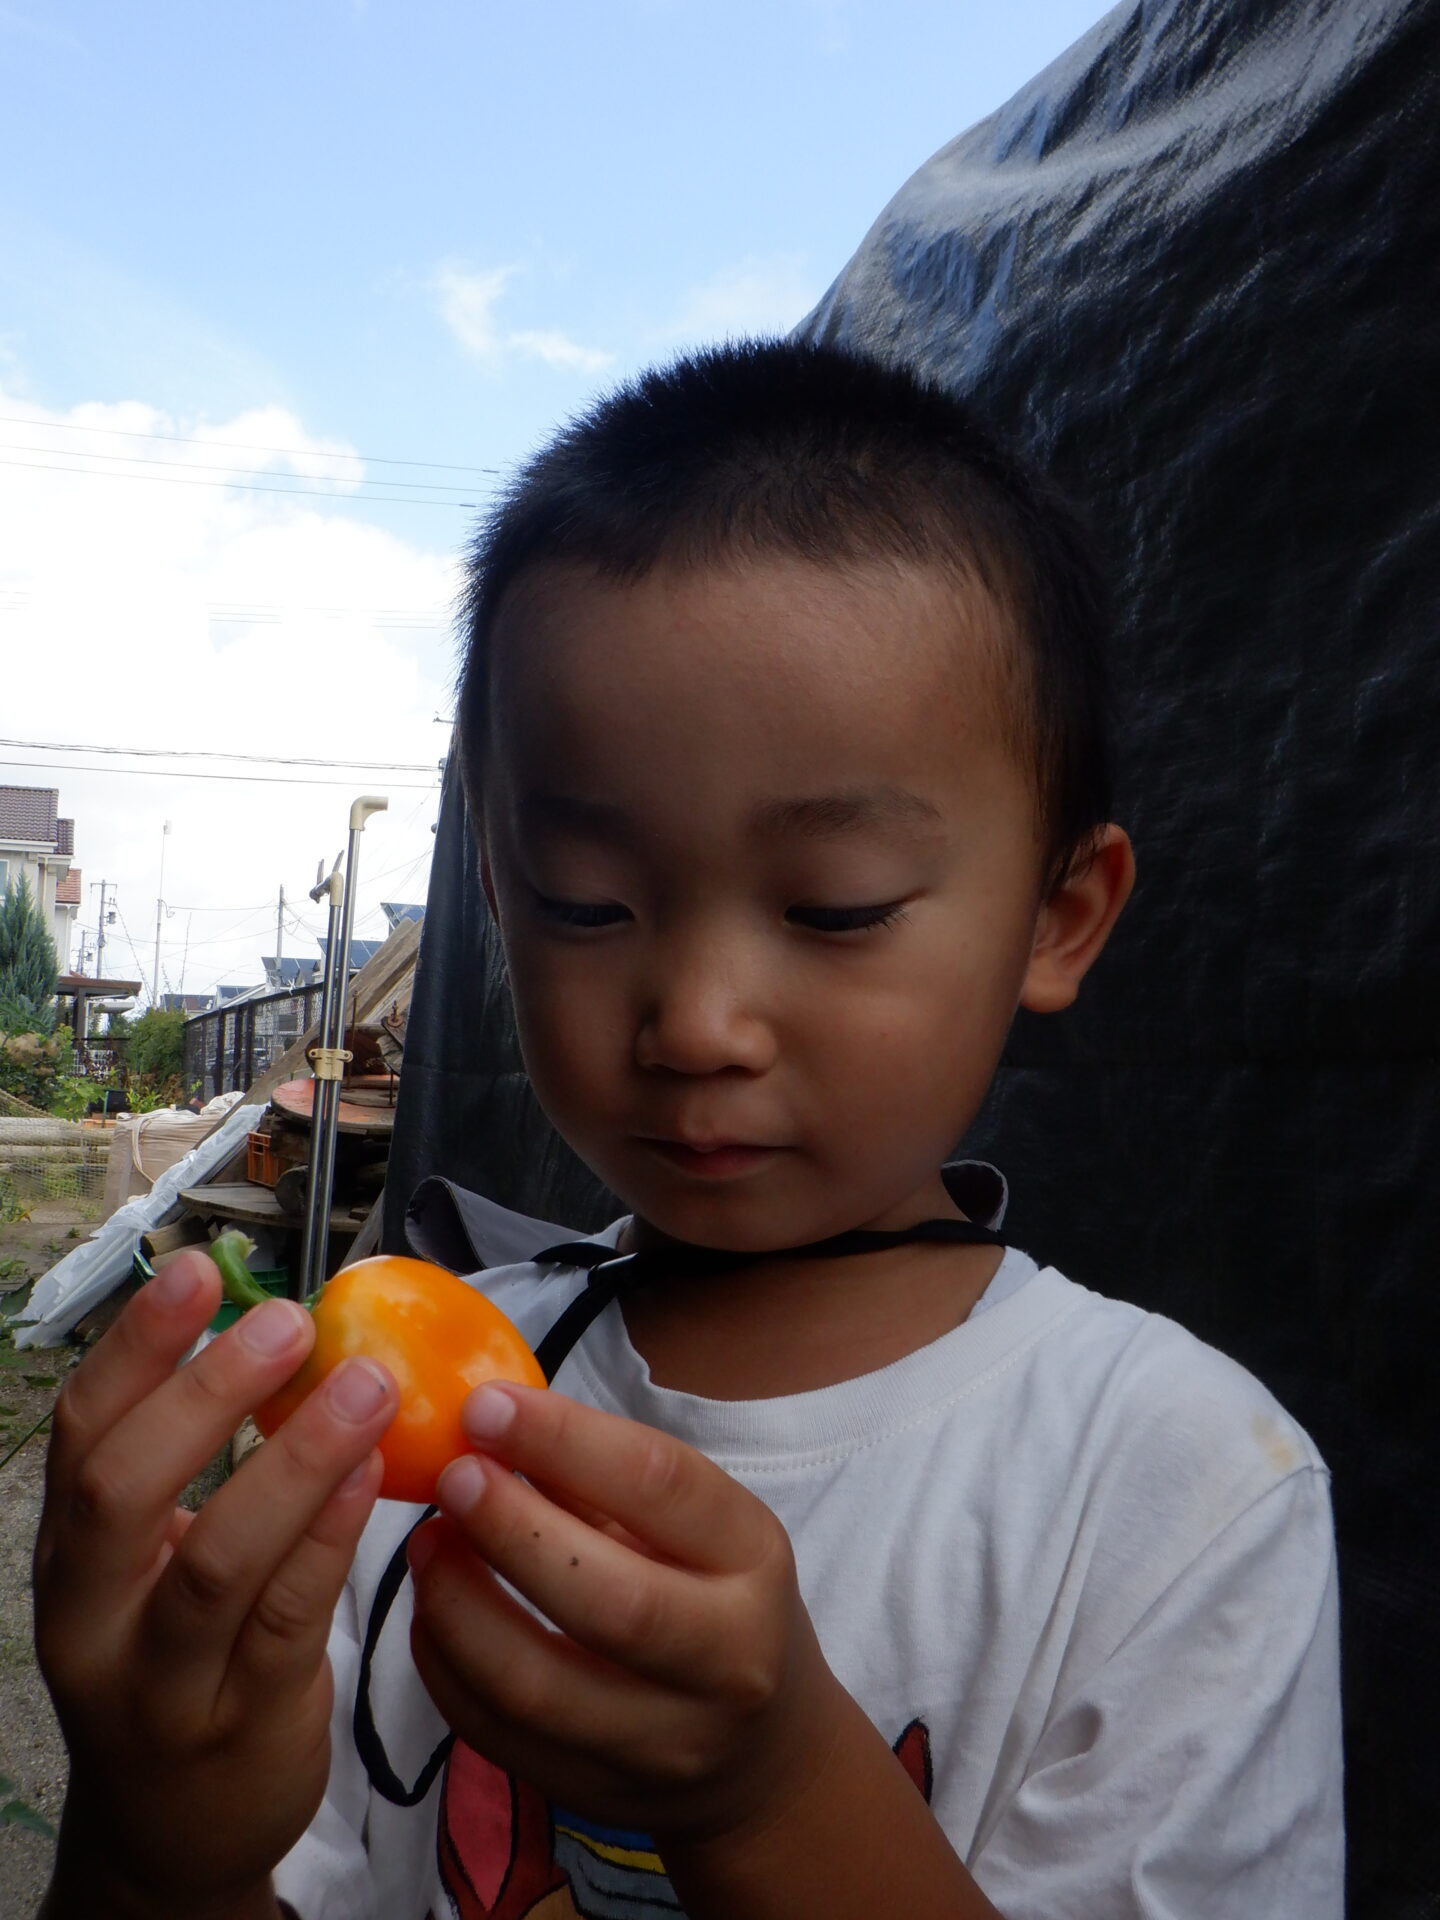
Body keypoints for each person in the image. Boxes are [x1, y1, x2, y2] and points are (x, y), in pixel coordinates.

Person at [33, 341, 1343, 1920]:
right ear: (500, 901)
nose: (698, 1022)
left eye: (835, 907)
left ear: (1059, 917)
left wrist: (778, 1798)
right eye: (589, 905)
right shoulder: (405, 1407)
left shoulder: (1179, 1492)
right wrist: (157, 1842)